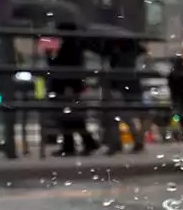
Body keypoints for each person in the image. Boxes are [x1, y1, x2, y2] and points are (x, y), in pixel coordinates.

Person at [47, 22, 99, 157]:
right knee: (71, 118)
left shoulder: (69, 47)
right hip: (69, 86)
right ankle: (81, 143)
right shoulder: (74, 46)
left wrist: (50, 56)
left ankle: (79, 144)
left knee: (69, 118)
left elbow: (62, 68)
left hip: (66, 87)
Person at [104, 42, 146, 155]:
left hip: (120, 91)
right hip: (126, 91)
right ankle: (135, 141)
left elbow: (117, 76)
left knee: (116, 118)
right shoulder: (130, 57)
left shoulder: (120, 58)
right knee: (125, 118)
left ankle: (117, 144)